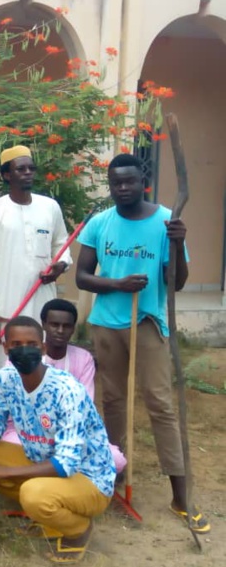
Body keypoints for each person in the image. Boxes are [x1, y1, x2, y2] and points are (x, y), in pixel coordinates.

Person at [75, 153, 208, 533]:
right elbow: (83, 277)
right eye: (116, 183)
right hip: (106, 325)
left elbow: (177, 283)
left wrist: (178, 245)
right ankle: (114, 476)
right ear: (110, 184)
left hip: (148, 322)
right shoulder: (100, 222)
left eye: (129, 182)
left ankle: (180, 494)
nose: (122, 189)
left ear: (142, 181)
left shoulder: (167, 220)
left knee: (160, 403)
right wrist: (117, 284)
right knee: (113, 402)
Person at [0, 316, 115, 564]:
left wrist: (0, 471)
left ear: (43, 348)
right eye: (16, 344)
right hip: (40, 462)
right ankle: (45, 516)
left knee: (33, 494)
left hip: (88, 479)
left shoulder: (67, 390)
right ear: (6, 348)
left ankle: (78, 530)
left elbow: (66, 464)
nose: (23, 350)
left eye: (30, 344)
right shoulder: (5, 378)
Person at [0, 145, 72, 383]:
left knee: (43, 369)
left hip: (42, 306)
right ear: (7, 174)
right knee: (4, 371)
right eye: (21, 169)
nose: (28, 172)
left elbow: (62, 245)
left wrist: (60, 266)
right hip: (4, 309)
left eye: (31, 168)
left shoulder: (50, 207)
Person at [0, 299, 127, 473]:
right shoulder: (20, 355)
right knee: (11, 445)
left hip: (69, 432)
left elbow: (84, 406)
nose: (60, 331)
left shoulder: (83, 359)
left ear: (73, 328)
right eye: (54, 324)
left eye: (66, 326)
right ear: (44, 325)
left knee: (117, 460)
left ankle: (52, 470)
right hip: (26, 433)